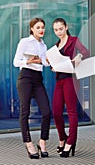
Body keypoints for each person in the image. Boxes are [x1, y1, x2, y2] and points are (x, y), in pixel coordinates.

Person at [13, 18, 51, 159]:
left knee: (47, 112)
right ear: (32, 29)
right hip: (26, 77)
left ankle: (42, 142)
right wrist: (28, 61)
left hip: (38, 79)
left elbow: (46, 63)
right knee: (25, 111)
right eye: (38, 27)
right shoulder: (24, 42)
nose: (41, 30)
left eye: (43, 27)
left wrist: (45, 61)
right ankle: (28, 143)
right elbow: (16, 61)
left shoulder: (43, 45)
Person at [51, 18, 90, 158]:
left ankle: (70, 142)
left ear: (66, 27)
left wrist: (79, 56)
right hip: (59, 81)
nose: (58, 32)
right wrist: (53, 67)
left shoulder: (74, 40)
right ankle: (63, 138)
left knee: (71, 112)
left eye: (60, 29)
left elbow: (86, 52)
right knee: (56, 112)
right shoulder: (56, 45)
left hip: (71, 80)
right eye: (55, 30)